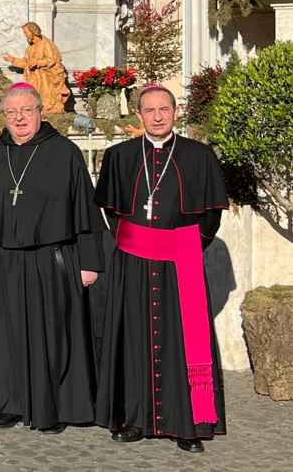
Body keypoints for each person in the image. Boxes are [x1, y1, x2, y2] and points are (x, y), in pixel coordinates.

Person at [0, 82, 103, 432]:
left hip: (50, 260)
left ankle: (53, 406)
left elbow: (84, 209)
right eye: (12, 112)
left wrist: (90, 261)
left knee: (53, 335)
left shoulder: (64, 153)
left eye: (26, 110)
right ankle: (8, 403)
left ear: (40, 112)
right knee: (3, 335)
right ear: (4, 116)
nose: (19, 118)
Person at [94, 85, 228, 453]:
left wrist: (181, 245)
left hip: (179, 261)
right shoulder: (119, 156)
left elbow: (211, 216)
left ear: (175, 111)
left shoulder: (198, 156)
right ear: (138, 114)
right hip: (132, 261)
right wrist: (137, 241)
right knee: (132, 337)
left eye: (164, 109)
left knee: (181, 341)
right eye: (149, 110)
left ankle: (187, 424)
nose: (157, 116)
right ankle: (133, 419)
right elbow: (110, 211)